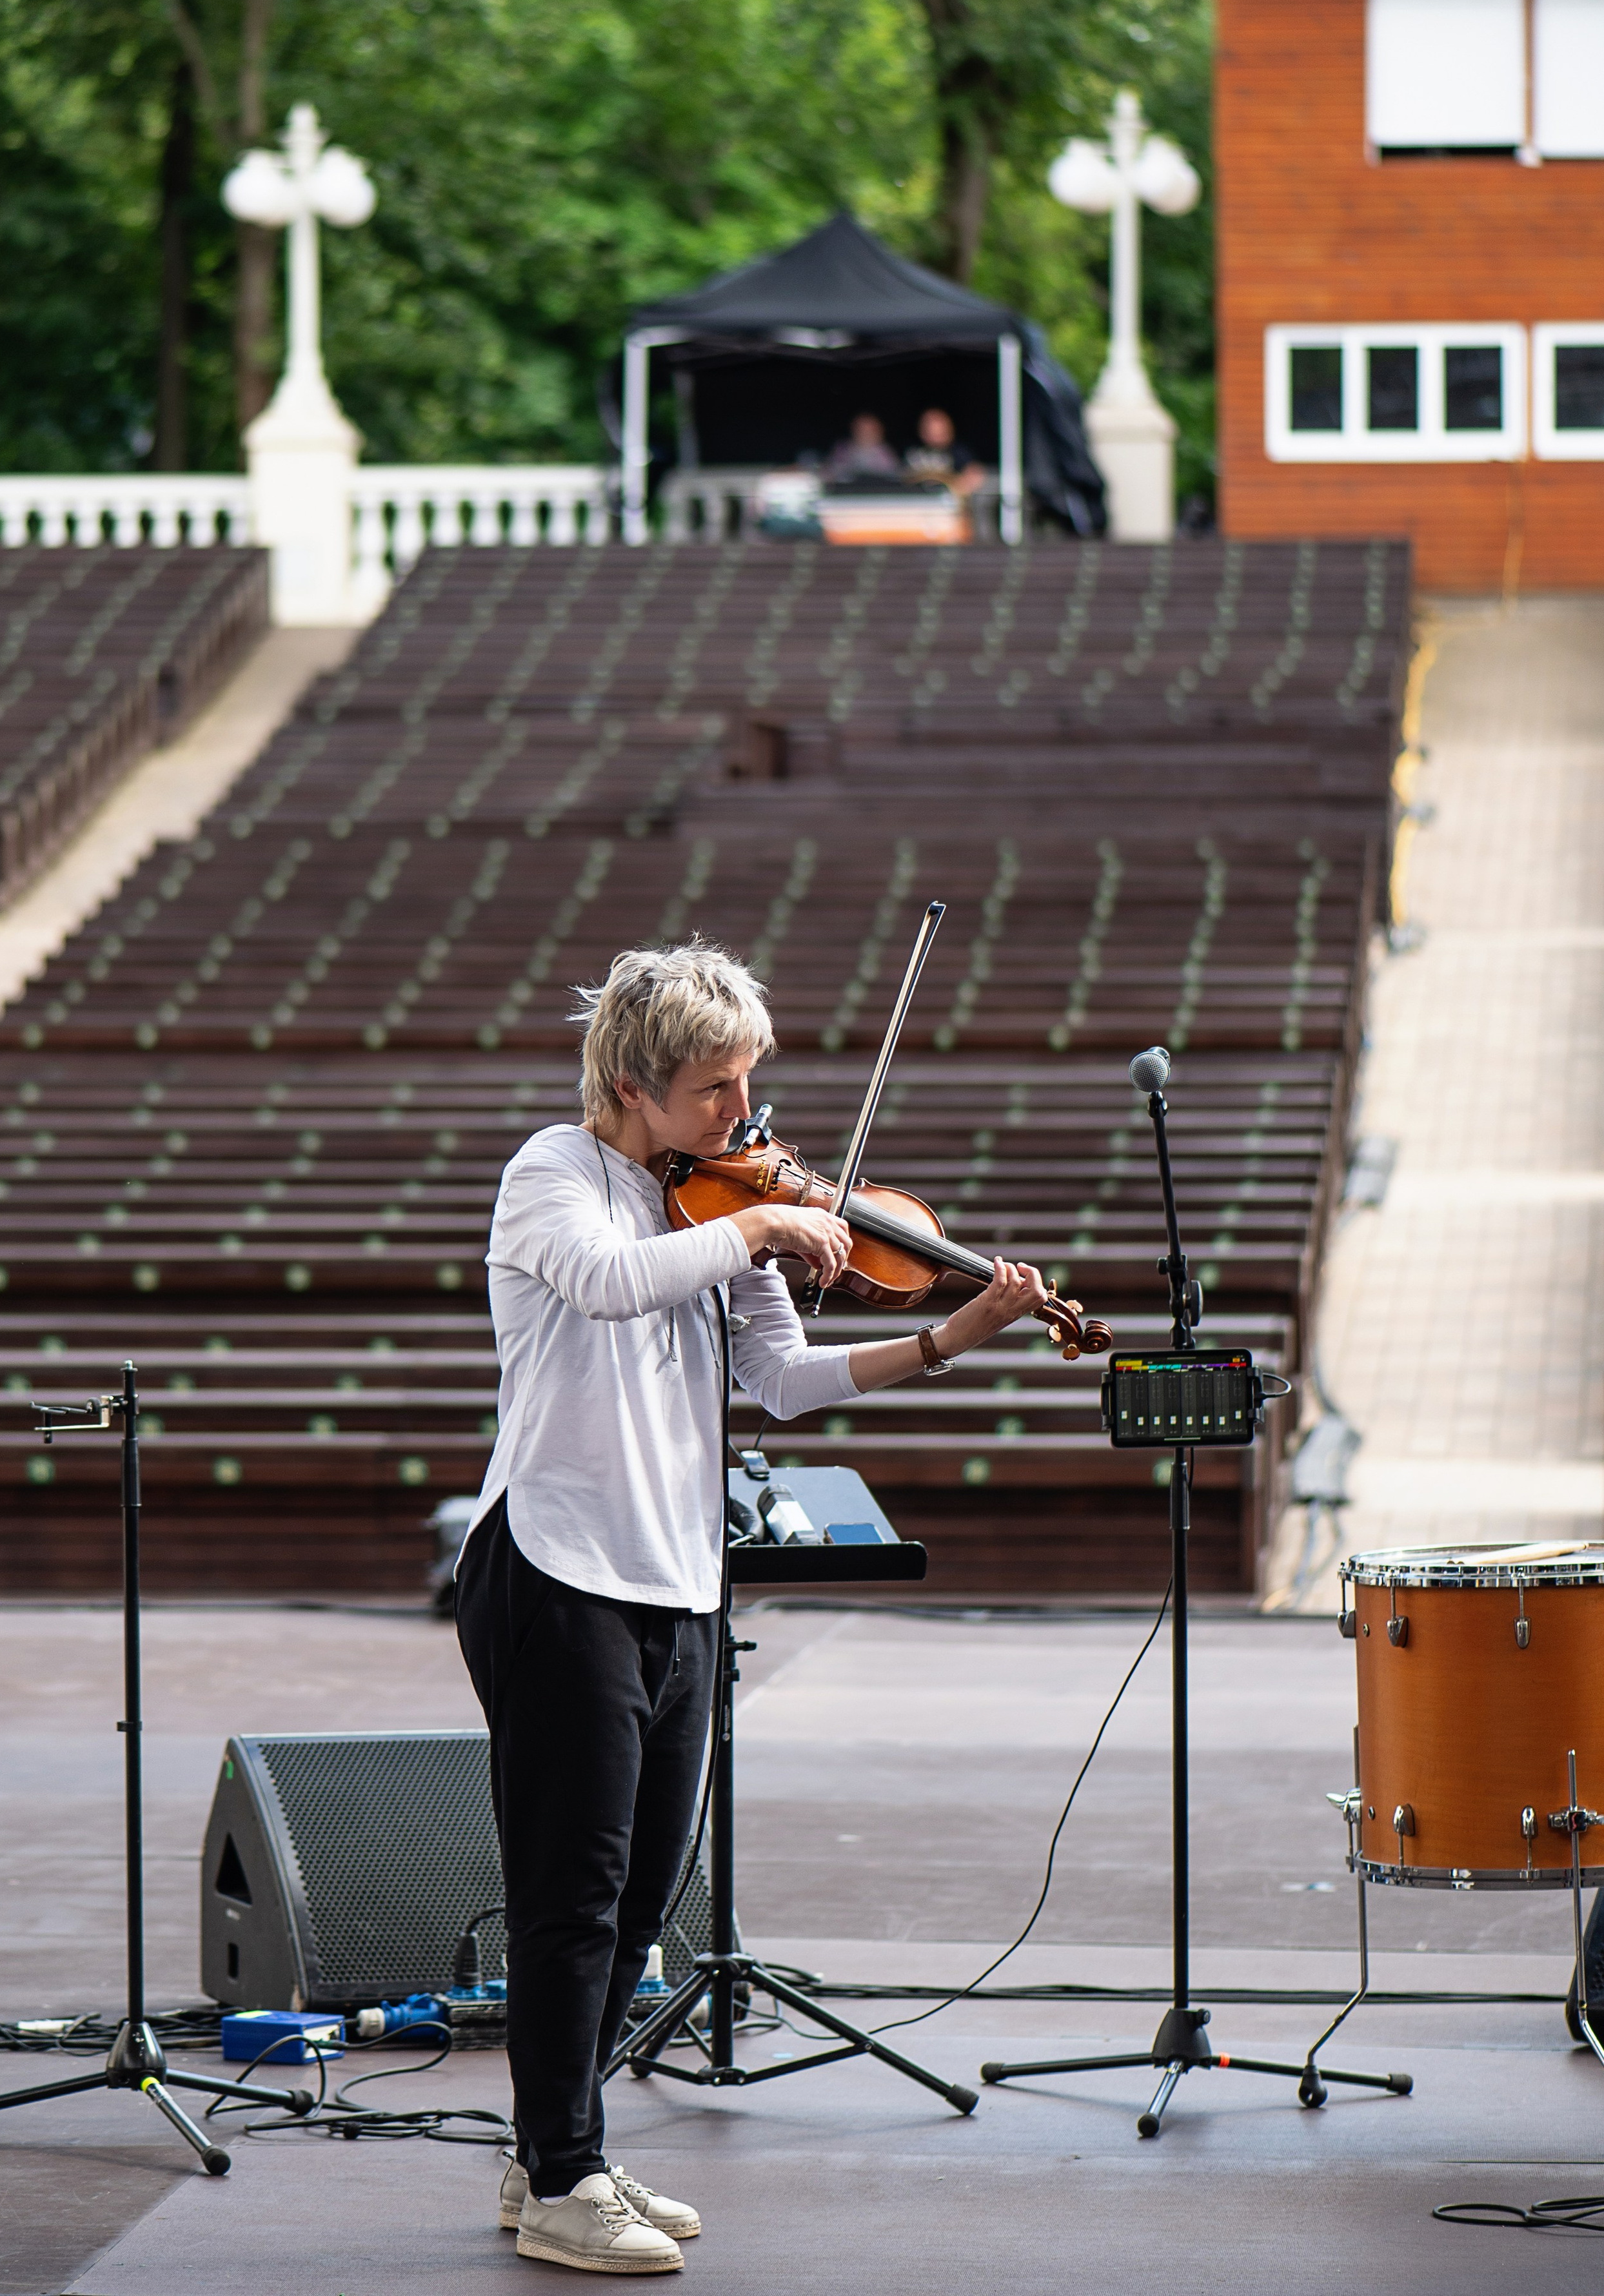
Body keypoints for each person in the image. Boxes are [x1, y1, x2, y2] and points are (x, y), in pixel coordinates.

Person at [453, 939, 1055, 2274]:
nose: (745, 1117)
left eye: (745, 1084)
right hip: (554, 1567)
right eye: (714, 1090)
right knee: (573, 1891)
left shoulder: (710, 1205)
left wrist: (952, 1335)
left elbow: (781, 1380)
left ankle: (550, 2151)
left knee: (645, 1892)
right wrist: (760, 1223)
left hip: (674, 1579)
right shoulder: (553, 1178)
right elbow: (607, 1285)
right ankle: (564, 2178)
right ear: (631, 1084)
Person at [905, 406, 984, 498]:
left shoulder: (959, 452)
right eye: (931, 432)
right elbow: (902, 477)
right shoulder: (913, 451)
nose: (936, 438)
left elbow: (975, 475)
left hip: (948, 503)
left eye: (940, 432)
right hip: (919, 503)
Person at [823, 411, 900, 484]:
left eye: (870, 431)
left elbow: (894, 475)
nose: (865, 434)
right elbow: (831, 474)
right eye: (862, 430)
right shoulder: (842, 450)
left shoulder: (886, 452)